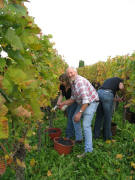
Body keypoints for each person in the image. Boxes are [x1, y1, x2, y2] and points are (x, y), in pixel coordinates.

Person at [59, 67, 99, 157]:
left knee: (86, 125)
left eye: (71, 72)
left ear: (75, 72)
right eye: (68, 73)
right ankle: (79, 139)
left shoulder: (79, 82)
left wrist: (80, 113)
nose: (70, 74)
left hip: (91, 102)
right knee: (74, 118)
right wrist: (63, 103)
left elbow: (86, 100)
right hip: (83, 102)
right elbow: (73, 99)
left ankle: (88, 151)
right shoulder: (73, 83)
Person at [94, 77, 124, 141]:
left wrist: (117, 99)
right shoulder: (120, 80)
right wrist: (124, 92)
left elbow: (108, 97)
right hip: (107, 94)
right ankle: (107, 138)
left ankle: (96, 135)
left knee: (99, 116)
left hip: (98, 93)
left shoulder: (109, 81)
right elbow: (120, 88)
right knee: (108, 117)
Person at [57, 73, 77, 139]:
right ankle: (72, 132)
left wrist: (64, 104)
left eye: (62, 81)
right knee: (69, 116)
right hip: (68, 102)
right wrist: (58, 102)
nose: (61, 82)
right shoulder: (62, 86)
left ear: (67, 80)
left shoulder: (72, 86)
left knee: (70, 117)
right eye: (60, 81)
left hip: (74, 102)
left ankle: (68, 135)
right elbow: (61, 95)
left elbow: (73, 99)